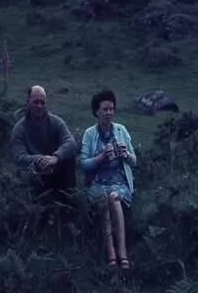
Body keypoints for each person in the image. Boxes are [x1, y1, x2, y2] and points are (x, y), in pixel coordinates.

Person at [79, 89, 137, 270]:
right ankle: (111, 252)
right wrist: (101, 157)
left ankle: (122, 252)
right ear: (96, 111)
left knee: (114, 197)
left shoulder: (121, 130)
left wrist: (126, 155)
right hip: (97, 183)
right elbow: (84, 164)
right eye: (105, 109)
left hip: (120, 182)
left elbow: (135, 161)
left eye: (111, 109)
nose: (109, 113)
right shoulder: (90, 133)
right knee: (104, 198)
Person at [11, 85, 77, 194]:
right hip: (34, 173)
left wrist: (56, 157)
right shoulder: (19, 129)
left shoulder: (56, 121)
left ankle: (69, 201)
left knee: (69, 157)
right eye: (36, 102)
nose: (39, 106)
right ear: (28, 102)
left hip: (57, 170)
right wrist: (41, 160)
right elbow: (19, 157)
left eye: (42, 102)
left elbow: (71, 143)